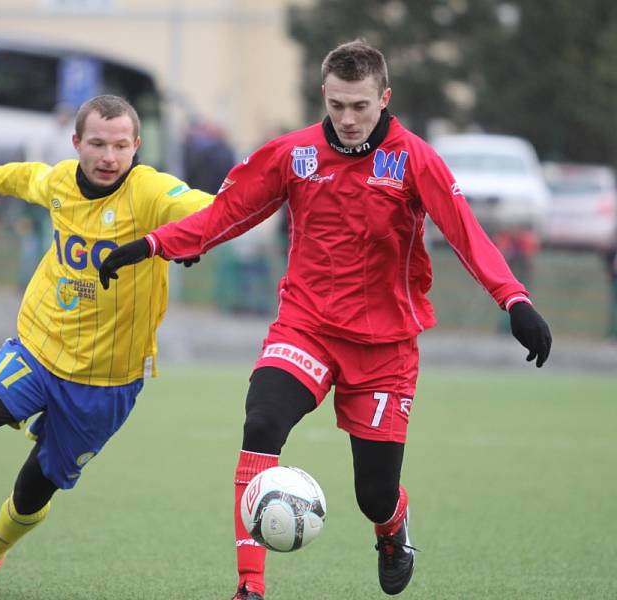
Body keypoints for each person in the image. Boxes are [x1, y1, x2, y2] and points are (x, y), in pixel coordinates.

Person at [98, 41, 552, 599]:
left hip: (386, 347)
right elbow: (227, 214)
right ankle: (249, 587)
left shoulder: (415, 160)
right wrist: (151, 245)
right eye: (338, 105)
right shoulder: (294, 154)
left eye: (361, 105)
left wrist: (515, 300)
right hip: (306, 326)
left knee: (373, 494)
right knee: (262, 421)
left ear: (384, 99)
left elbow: (466, 234)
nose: (349, 118)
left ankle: (391, 529)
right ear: (324, 96)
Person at [0, 94, 212, 595]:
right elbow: (22, 178)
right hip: (39, 349)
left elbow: (209, 208)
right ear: (77, 142)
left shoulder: (150, 191)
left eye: (121, 146)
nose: (109, 157)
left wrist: (195, 235)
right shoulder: (62, 180)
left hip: (106, 382)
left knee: (32, 489)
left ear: (137, 147)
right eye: (98, 144)